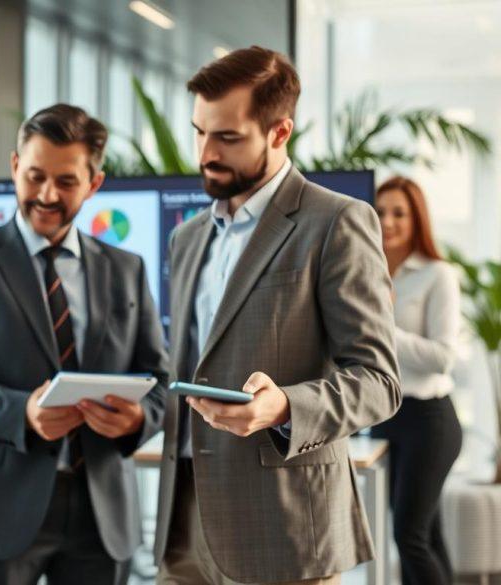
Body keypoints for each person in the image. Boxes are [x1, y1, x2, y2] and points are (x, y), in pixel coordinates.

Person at [154, 46, 401, 585]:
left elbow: (379, 381)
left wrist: (285, 405)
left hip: (283, 529)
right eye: (199, 132)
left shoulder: (336, 222)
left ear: (279, 131)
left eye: (227, 137)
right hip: (184, 532)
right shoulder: (187, 238)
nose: (205, 153)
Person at [0, 104, 168, 585]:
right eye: (34, 176)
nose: (47, 195)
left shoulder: (127, 269)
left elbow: (159, 379)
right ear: (15, 166)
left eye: (66, 182)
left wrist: (141, 417)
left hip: (102, 509)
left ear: (94, 184)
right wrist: (23, 414)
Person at [371, 176, 462, 585]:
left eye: (399, 213)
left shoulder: (436, 275)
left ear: (416, 218)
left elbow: (443, 358)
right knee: (427, 537)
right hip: (386, 415)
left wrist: (383, 321)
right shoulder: (369, 273)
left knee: (409, 537)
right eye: (381, 211)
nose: (387, 221)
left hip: (429, 420)